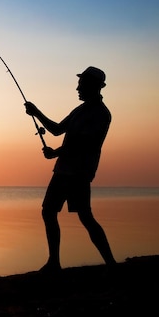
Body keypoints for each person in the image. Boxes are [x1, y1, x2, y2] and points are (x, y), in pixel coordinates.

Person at [24, 66, 116, 272]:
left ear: (95, 87)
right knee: (49, 211)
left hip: (79, 173)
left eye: (81, 84)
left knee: (85, 216)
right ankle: (54, 262)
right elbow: (57, 130)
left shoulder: (101, 114)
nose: (77, 88)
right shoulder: (79, 110)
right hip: (63, 170)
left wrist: (55, 153)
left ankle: (110, 263)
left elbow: (84, 143)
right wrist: (36, 112)